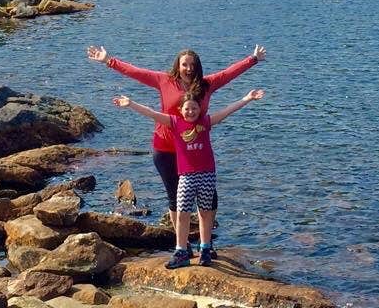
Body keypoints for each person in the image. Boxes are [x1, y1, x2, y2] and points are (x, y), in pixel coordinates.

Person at [86, 44, 266, 254]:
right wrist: (109, 60)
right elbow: (136, 72)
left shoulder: (207, 84)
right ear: (177, 66)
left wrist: (252, 59)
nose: (188, 69)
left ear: (198, 67)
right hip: (166, 149)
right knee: (175, 199)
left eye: (192, 65)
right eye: (184, 65)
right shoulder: (164, 80)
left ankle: (205, 243)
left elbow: (229, 73)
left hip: (194, 153)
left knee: (210, 198)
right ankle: (184, 245)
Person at [113, 88, 265, 267]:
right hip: (186, 176)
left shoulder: (206, 122)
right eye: (187, 108)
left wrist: (247, 98)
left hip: (207, 175)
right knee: (183, 213)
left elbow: (226, 111)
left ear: (199, 110)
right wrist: (131, 104)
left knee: (205, 213)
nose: (191, 111)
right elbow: (152, 113)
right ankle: (181, 252)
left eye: (194, 108)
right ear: (180, 110)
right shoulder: (175, 122)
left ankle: (205, 250)